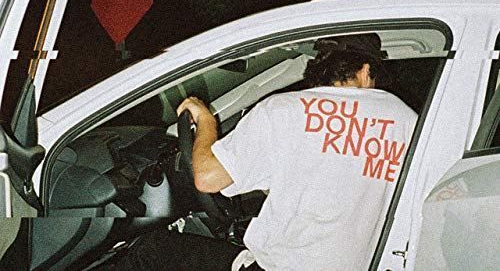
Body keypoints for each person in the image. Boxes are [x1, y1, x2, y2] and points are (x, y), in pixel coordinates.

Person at [111, 33, 417, 270]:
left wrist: (205, 121)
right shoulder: (407, 119)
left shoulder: (284, 110)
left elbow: (206, 178)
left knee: (152, 251)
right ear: (365, 71)